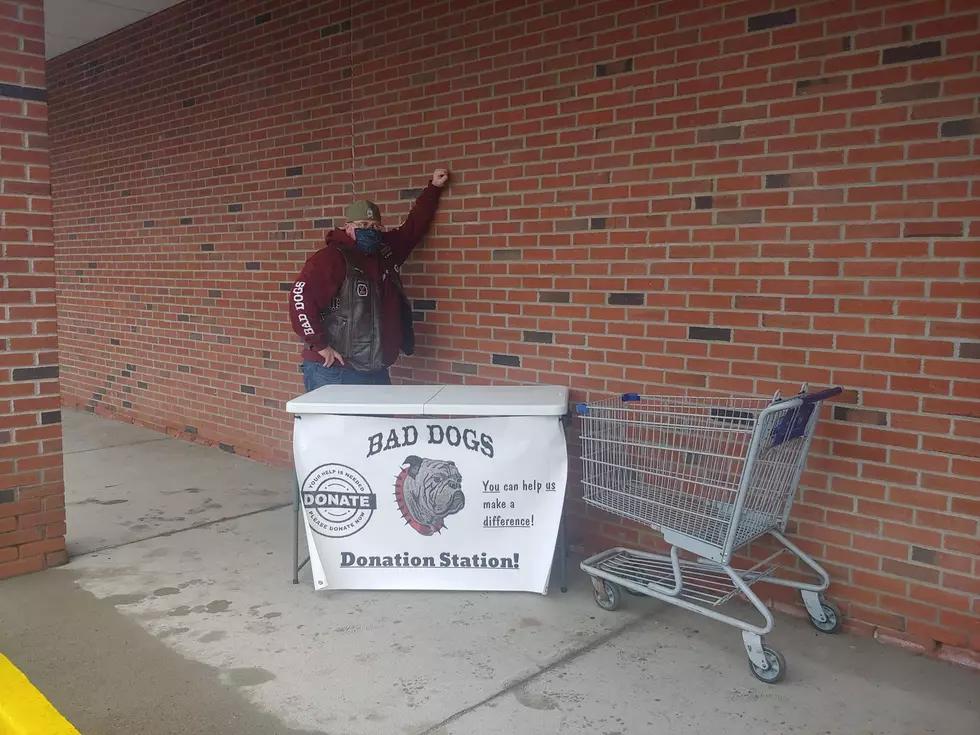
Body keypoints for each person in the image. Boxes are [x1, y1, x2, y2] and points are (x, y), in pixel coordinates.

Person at [288, 168, 450, 391]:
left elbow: (413, 228)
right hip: (335, 371)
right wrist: (319, 344)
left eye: (375, 226)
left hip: (375, 368)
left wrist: (433, 188)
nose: (370, 230)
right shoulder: (331, 259)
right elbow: (300, 296)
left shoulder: (385, 251)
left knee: (379, 427)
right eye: (362, 226)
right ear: (348, 228)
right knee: (336, 428)